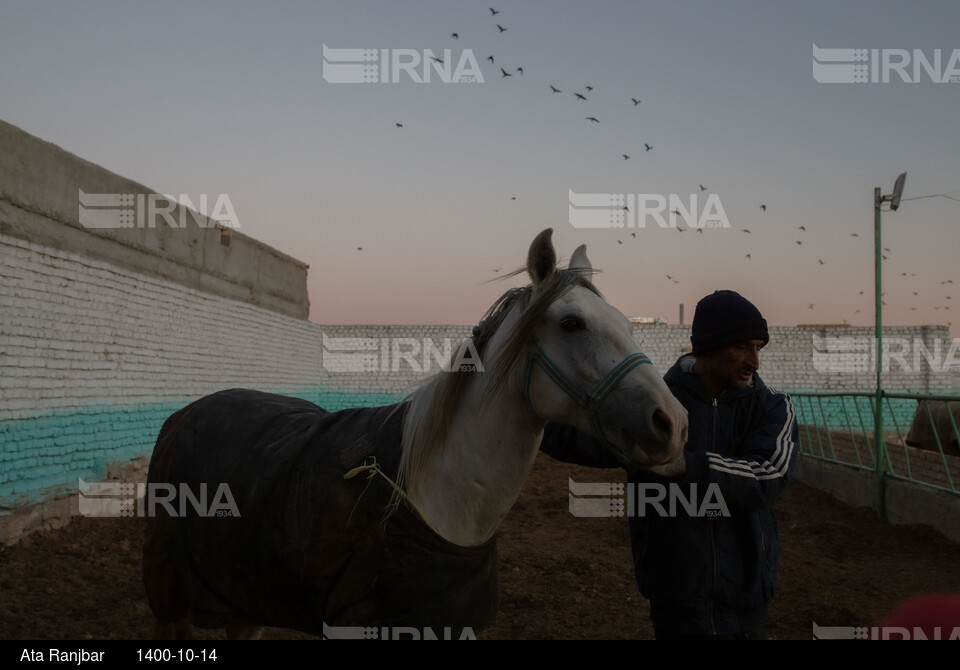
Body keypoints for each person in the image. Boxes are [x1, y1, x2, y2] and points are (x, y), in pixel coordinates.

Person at [540, 289, 799, 639]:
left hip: (746, 598)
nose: (754, 361)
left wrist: (683, 466)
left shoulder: (773, 408)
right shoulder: (651, 410)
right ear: (708, 345)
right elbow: (575, 438)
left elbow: (765, 475)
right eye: (742, 347)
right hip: (676, 599)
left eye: (757, 347)